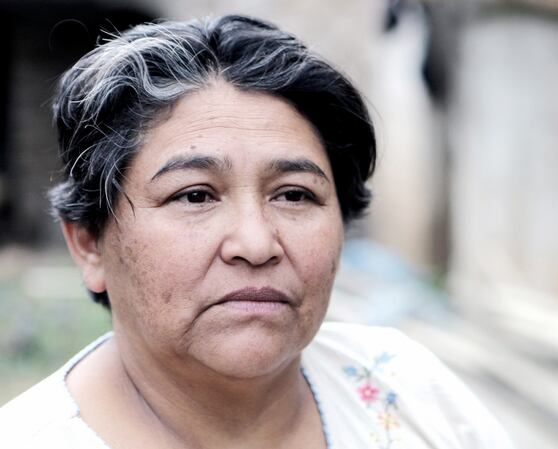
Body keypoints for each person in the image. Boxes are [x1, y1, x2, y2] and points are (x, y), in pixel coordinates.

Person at [0, 14, 515, 449]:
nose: (256, 244)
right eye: (195, 195)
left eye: (294, 195)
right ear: (89, 243)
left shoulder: (401, 389)